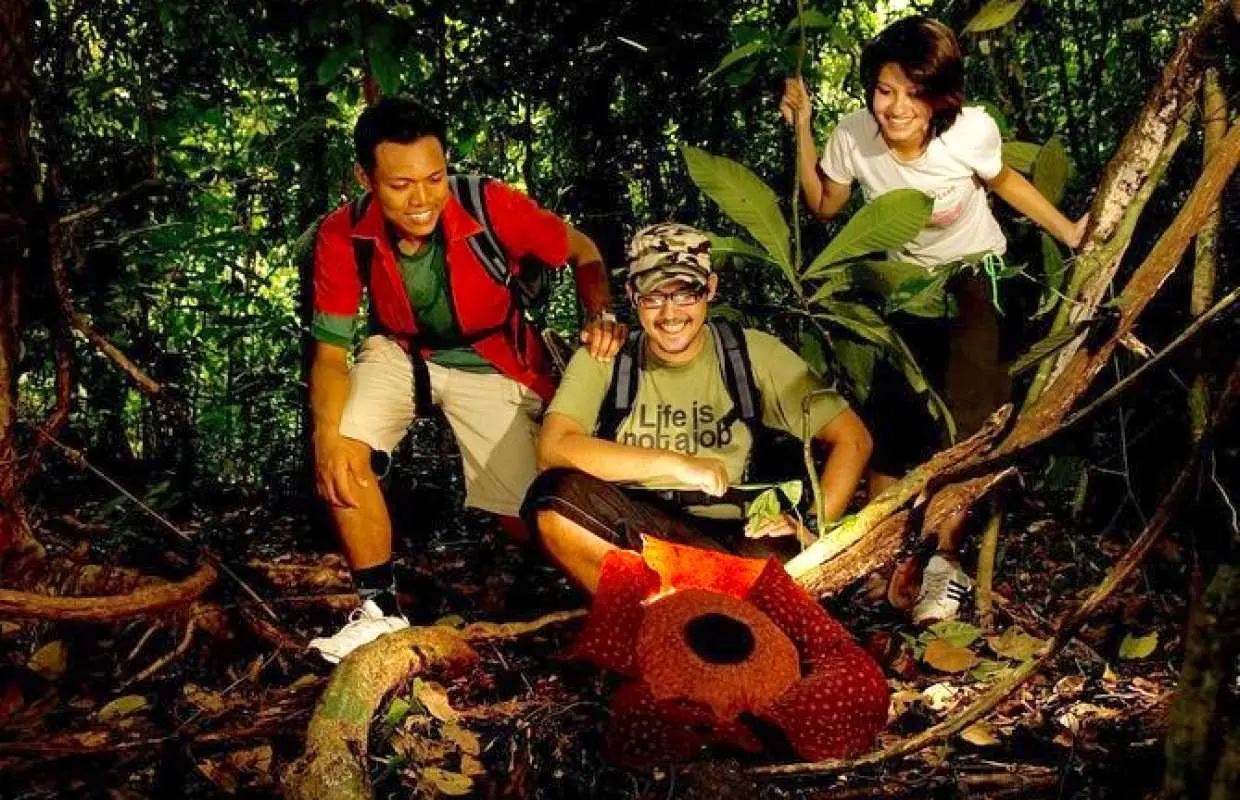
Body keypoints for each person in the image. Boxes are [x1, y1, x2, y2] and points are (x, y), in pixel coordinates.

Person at [779, 15, 1087, 623]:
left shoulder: (968, 132)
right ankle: (885, 560)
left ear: (939, 96)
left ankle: (943, 566)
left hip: (978, 275)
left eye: (914, 93)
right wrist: (804, 127)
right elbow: (822, 205)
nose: (897, 108)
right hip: (908, 289)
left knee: (969, 423)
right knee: (893, 423)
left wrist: (1070, 231)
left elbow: (1006, 182)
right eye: (885, 90)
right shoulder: (854, 135)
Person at [306, 98, 624, 662]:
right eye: (401, 184)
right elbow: (330, 353)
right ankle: (379, 613)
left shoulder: (490, 204)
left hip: (491, 356)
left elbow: (585, 252)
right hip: (399, 353)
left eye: (435, 177)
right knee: (344, 446)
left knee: (534, 514)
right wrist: (327, 435)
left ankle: (610, 603)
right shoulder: (343, 233)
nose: (423, 199)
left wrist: (598, 315)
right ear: (365, 177)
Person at [522, 223, 873, 593]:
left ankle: (691, 605)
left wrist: (812, 525)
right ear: (632, 294)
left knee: (779, 565)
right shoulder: (608, 357)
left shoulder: (749, 353)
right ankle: (651, 615)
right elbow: (553, 448)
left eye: (686, 293)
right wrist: (676, 464)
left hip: (734, 532)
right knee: (554, 499)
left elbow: (852, 439)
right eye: (654, 296)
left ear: (711, 288)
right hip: (639, 527)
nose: (670, 314)